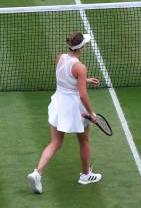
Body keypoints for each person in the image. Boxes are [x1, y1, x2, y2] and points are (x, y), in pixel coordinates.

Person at [27, 32, 102, 193]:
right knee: (84, 141)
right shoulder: (80, 67)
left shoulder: (59, 57)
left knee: (55, 142)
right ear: (81, 47)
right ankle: (85, 175)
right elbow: (82, 95)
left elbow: (66, 78)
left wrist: (85, 80)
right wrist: (92, 113)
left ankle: (37, 173)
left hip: (59, 103)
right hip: (75, 107)